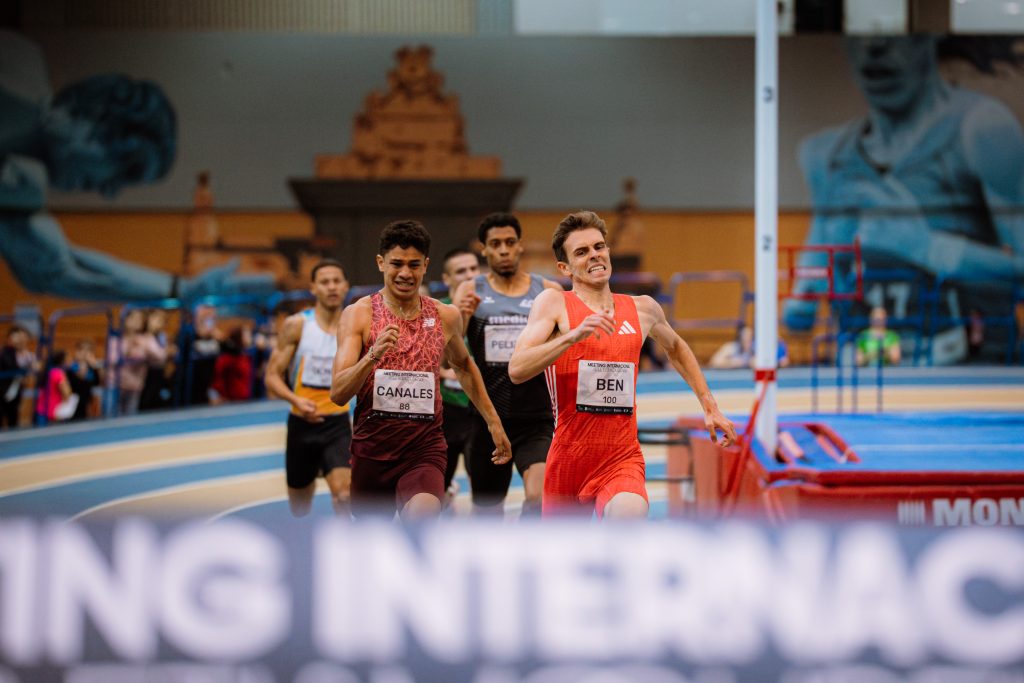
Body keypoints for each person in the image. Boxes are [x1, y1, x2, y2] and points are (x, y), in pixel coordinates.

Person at [784, 36, 1024, 364]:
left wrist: (927, 247)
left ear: (927, 37)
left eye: (892, 33)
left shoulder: (983, 129)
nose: (874, 47)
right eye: (862, 32)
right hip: (863, 357)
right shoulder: (825, 154)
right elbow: (799, 314)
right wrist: (803, 297)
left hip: (965, 363)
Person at [0, 30, 275, 304]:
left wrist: (181, 289)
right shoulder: (15, 70)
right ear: (99, 122)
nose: (109, 192)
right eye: (124, 170)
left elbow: (62, 269)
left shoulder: (20, 184)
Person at [509, 211, 737, 519]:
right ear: (565, 268)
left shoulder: (643, 308)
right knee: (565, 558)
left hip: (621, 456)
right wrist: (570, 337)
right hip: (568, 458)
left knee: (629, 518)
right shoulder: (554, 304)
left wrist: (709, 406)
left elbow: (677, 347)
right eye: (582, 251)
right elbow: (518, 368)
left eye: (599, 247)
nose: (594, 255)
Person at [330, 220, 511, 520]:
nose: (405, 273)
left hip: (423, 449)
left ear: (426, 265)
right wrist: (372, 356)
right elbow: (338, 392)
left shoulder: (445, 315)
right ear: (380, 263)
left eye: (414, 265)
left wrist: (493, 421)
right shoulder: (359, 315)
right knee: (376, 545)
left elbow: (465, 365)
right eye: (396, 264)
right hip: (371, 450)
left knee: (422, 519)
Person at [452, 213, 562, 515]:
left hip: (536, 417)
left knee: (539, 498)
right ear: (483, 249)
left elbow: (564, 346)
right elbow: (451, 354)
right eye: (495, 244)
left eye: (510, 243)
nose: (503, 250)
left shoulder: (547, 290)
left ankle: (524, 552)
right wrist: (462, 316)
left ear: (520, 247)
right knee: (487, 510)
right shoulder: (470, 290)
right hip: (488, 417)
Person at [264, 259, 352, 516]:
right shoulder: (297, 325)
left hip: (337, 425)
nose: (332, 287)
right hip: (302, 426)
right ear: (313, 288)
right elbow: (271, 376)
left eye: (337, 281)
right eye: (325, 282)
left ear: (346, 286)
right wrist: (296, 401)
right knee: (300, 508)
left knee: (345, 496)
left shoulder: (353, 327)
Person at [437, 247, 481, 509]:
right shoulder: (433, 311)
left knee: (484, 489)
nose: (469, 275)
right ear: (446, 278)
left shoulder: (491, 311)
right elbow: (425, 361)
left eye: (474, 269)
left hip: (479, 410)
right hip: (444, 410)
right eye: (461, 271)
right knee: (436, 490)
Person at [709, 325, 790, 369]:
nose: (747, 341)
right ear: (740, 338)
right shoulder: (731, 347)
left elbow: (781, 361)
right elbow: (715, 361)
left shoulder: (756, 349)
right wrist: (732, 363)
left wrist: (778, 362)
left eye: (750, 338)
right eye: (744, 338)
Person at [0, 325, 35, 428]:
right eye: (17, 337)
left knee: (13, 419)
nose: (20, 340)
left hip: (15, 392)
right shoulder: (6, 351)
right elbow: (10, 365)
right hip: (3, 391)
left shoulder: (28, 355)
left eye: (23, 338)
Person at [212, 325, 253, 402]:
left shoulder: (245, 356)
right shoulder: (227, 359)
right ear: (239, 337)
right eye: (246, 335)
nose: (249, 337)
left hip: (245, 400)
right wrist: (217, 396)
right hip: (231, 402)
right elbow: (217, 380)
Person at [35, 350, 74, 424]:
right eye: (69, 359)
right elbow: (66, 393)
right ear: (63, 361)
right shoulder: (58, 373)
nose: (71, 361)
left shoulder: (48, 371)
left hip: (41, 410)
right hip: (53, 411)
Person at [68, 339, 102, 420]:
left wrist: (95, 367)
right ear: (77, 351)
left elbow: (97, 382)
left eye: (88, 351)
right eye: (82, 350)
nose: (85, 353)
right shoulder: (72, 366)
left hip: (86, 400)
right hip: (73, 400)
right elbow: (75, 382)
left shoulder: (92, 367)